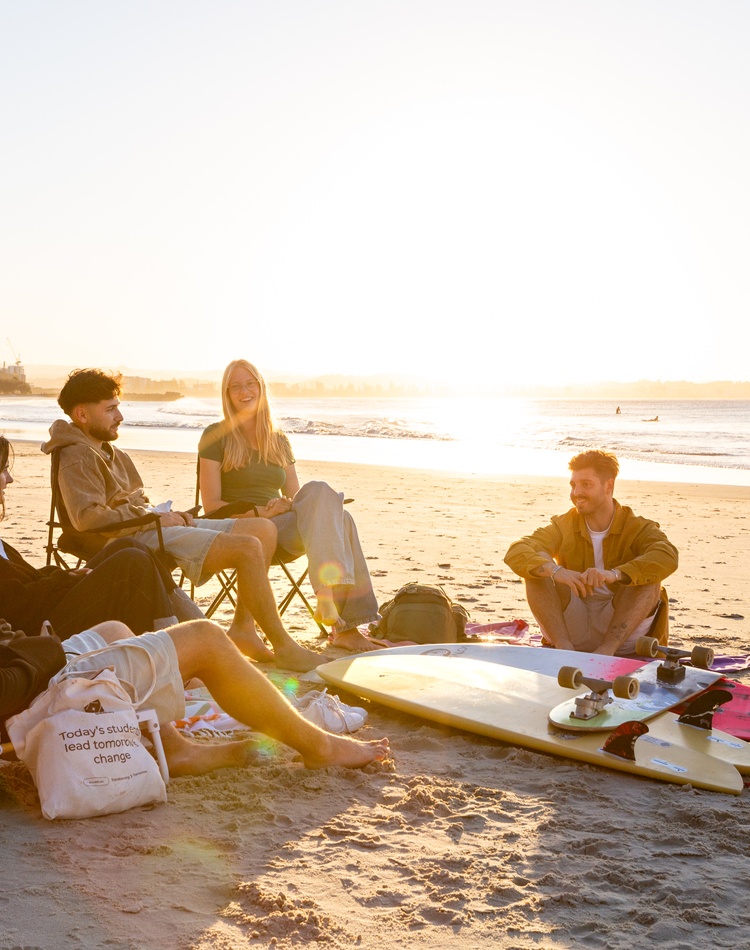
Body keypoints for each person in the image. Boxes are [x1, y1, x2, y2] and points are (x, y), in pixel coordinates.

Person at [42, 370, 323, 672]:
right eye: (110, 409)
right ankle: (284, 646)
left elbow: (137, 502)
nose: (120, 416)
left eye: (118, 406)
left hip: (154, 526)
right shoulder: (76, 455)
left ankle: (244, 629)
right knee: (247, 548)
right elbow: (86, 518)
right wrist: (151, 517)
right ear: (82, 414)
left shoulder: (112, 453)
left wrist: (164, 514)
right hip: (124, 541)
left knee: (262, 529)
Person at [35, 618, 390, 772]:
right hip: (30, 680)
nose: (7, 479)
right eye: (2, 467)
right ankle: (320, 748)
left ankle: (174, 750)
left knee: (115, 629)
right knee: (206, 638)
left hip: (31, 657)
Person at [198, 359, 381, 653]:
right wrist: (261, 513)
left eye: (250, 383)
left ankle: (333, 607)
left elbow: (298, 497)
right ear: (227, 394)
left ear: (261, 387)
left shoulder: (278, 439)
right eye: (236, 387)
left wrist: (288, 506)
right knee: (340, 517)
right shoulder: (215, 436)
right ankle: (342, 621)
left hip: (283, 528)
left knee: (328, 502)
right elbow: (211, 507)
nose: (244, 391)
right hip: (242, 529)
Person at [1, 435, 180, 638]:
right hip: (40, 632)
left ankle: (183, 627)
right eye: (4, 469)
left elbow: (24, 579)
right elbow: (15, 604)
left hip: (46, 606)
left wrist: (63, 575)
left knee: (128, 546)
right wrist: (62, 579)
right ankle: (172, 643)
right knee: (132, 562)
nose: (10, 478)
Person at [504, 450, 678, 656]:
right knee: (535, 569)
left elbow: (667, 555)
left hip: (620, 628)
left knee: (649, 578)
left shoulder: (637, 526)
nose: (576, 492)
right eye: (573, 485)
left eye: (586, 484)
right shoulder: (563, 525)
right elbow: (517, 550)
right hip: (571, 624)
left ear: (608, 486)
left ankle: (606, 652)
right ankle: (563, 649)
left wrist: (613, 574)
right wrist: (556, 571)